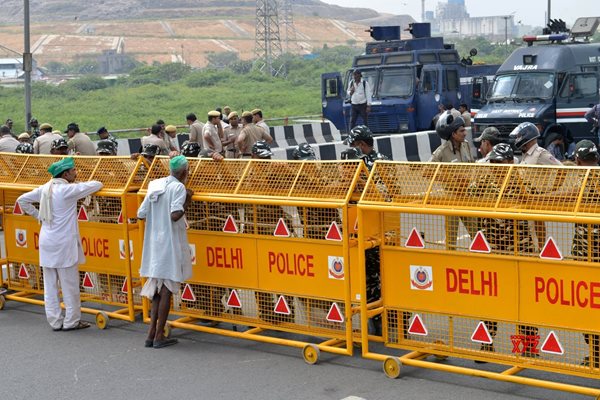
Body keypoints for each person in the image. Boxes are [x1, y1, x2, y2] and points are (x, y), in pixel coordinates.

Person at [16, 157, 103, 331]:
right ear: (65, 174)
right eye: (73, 171)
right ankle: (71, 321)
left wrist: (38, 216)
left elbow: (22, 200)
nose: (76, 173)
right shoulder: (66, 190)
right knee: (69, 285)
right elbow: (97, 184)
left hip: (47, 240)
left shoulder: (45, 188)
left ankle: (55, 321)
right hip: (63, 243)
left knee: (50, 286)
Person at [137, 155, 193, 348]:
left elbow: (141, 213)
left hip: (153, 243)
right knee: (166, 290)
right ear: (184, 172)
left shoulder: (155, 184)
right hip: (169, 243)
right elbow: (175, 214)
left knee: (157, 291)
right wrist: (188, 199)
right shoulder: (179, 188)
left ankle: (151, 334)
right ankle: (159, 335)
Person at [569, 139, 600, 367]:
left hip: (585, 257)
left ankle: (596, 354)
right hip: (591, 257)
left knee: (586, 310)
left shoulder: (583, 182)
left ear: (578, 161)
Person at [431, 110, 478, 250]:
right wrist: (450, 179)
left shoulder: (466, 146)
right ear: (453, 134)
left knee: (477, 235)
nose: (465, 133)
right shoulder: (441, 151)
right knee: (451, 240)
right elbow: (426, 171)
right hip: (451, 200)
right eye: (462, 130)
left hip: (468, 198)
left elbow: (472, 166)